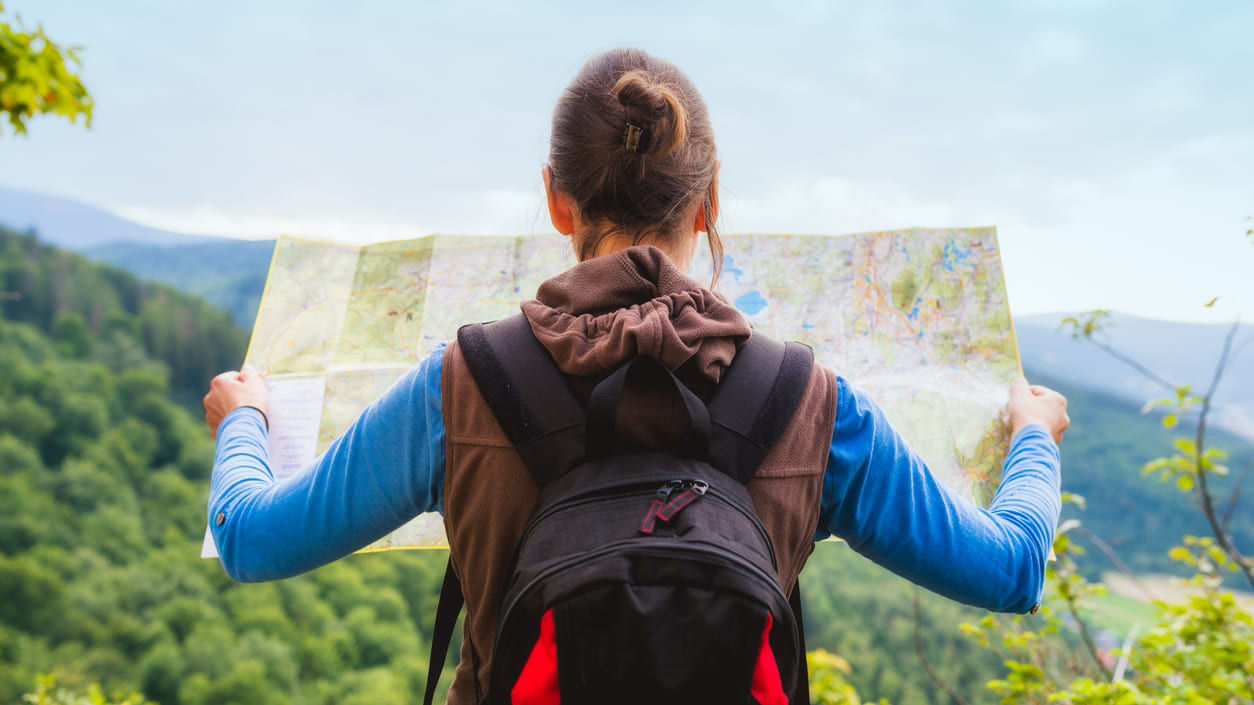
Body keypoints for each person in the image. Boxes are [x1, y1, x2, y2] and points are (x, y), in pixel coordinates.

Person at [202, 48, 1068, 704]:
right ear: (711, 202)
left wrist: (245, 417)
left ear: (555, 199)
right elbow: (1012, 568)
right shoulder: (813, 405)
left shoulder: (461, 386)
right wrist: (1031, 433)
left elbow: (251, 536)